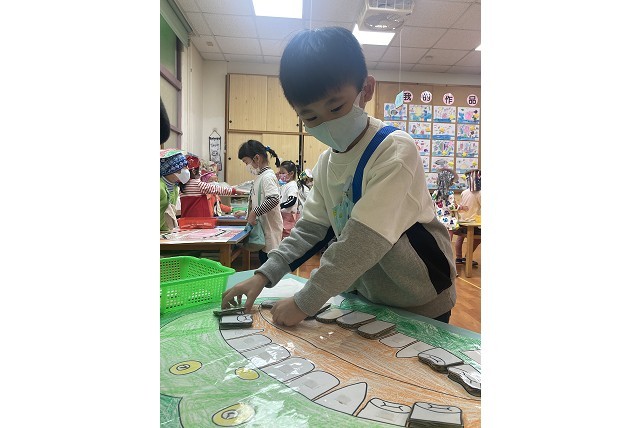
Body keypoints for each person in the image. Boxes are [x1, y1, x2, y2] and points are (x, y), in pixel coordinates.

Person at [222, 26, 457, 327]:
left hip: (420, 298)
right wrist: (263, 275)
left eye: (336, 107)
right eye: (311, 117)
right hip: (368, 296)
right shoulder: (325, 163)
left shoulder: (394, 150)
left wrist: (305, 301)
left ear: (366, 89)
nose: (327, 123)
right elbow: (311, 230)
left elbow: (363, 241)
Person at [234, 140, 284, 265]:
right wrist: (246, 212)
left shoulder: (267, 177)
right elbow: (258, 201)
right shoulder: (261, 177)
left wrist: (254, 212)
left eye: (246, 162)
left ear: (256, 158)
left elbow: (273, 199)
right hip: (264, 231)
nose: (246, 166)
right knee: (264, 261)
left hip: (270, 232)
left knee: (269, 264)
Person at [179, 154, 243, 218]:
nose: (200, 172)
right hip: (200, 220)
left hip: (186, 219)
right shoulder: (199, 185)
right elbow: (218, 189)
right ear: (194, 171)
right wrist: (234, 191)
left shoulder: (182, 186)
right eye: (199, 169)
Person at [454, 169, 481, 265]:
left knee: (460, 238)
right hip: (472, 222)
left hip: (462, 220)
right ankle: (467, 257)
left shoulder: (464, 192)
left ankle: (458, 258)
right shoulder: (480, 193)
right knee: (478, 238)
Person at [160, 149, 189, 231]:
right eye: (183, 167)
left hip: (165, 231)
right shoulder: (159, 188)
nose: (187, 170)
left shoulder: (175, 187)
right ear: (170, 170)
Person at [431, 166, 460, 240]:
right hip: (448, 220)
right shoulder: (450, 193)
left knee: (439, 240)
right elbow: (450, 207)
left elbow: (432, 204)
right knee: (448, 241)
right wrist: (459, 207)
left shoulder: (435, 193)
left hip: (438, 219)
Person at [278, 160, 301, 238]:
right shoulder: (285, 185)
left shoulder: (292, 185)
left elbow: (292, 200)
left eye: (283, 173)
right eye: (280, 173)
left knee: (286, 237)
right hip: (283, 216)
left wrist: (280, 206)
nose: (281, 175)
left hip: (288, 217)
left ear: (291, 174)